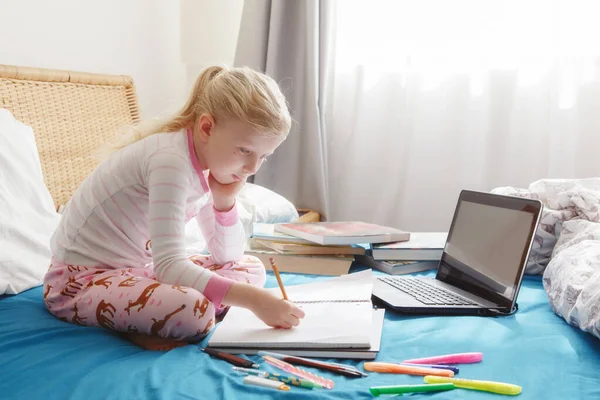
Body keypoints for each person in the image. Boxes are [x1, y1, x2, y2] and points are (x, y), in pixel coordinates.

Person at [43, 66, 305, 350]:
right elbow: (169, 267)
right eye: (245, 151)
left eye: (263, 157)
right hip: (78, 283)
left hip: (137, 272)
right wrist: (255, 301)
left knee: (250, 268)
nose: (252, 168)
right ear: (206, 128)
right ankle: (147, 323)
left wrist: (224, 202)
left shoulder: (204, 163)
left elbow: (226, 255)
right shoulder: (170, 161)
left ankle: (153, 319)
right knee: (195, 311)